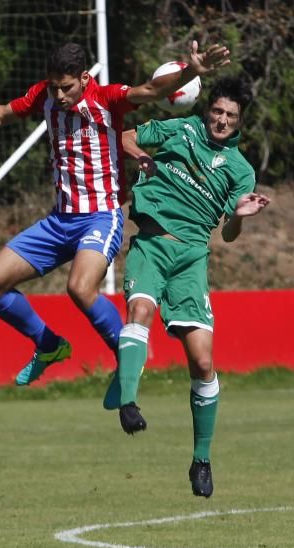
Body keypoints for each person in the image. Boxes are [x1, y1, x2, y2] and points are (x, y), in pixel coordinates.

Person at [0, 41, 231, 385]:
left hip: (101, 216)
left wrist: (191, 71)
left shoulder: (109, 98)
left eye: (66, 87)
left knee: (80, 288)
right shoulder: (46, 95)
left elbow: (152, 89)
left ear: (84, 78)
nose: (60, 95)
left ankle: (126, 365)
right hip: (60, 220)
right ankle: (48, 344)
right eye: (54, 87)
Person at [105, 77, 270, 498]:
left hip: (192, 259)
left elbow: (229, 235)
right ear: (207, 109)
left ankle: (201, 460)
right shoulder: (180, 128)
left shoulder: (241, 171)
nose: (222, 119)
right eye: (217, 111)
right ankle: (128, 403)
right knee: (138, 311)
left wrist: (239, 215)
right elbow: (122, 136)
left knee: (202, 362)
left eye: (231, 116)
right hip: (152, 245)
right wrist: (143, 158)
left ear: (239, 124)